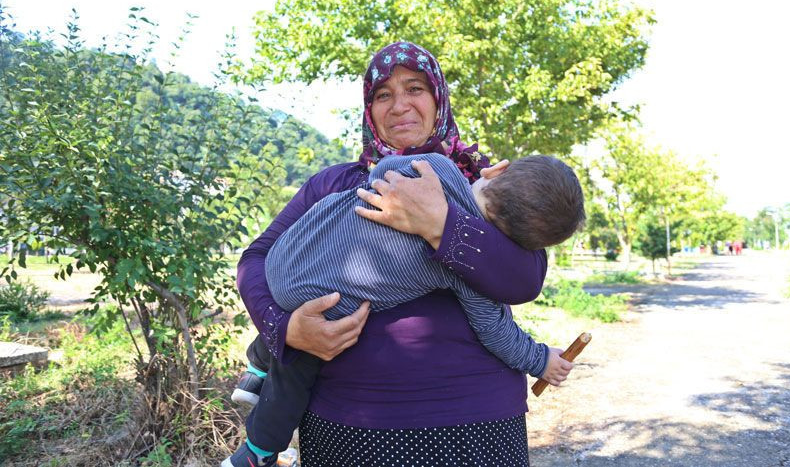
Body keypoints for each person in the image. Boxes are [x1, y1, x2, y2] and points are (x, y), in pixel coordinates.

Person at [233, 41, 575, 467]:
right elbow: (255, 260)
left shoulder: (491, 183)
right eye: (383, 94)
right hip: (349, 420)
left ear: (438, 97)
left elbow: (524, 277)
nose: (399, 106)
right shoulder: (336, 182)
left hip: (477, 418)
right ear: (369, 108)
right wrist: (285, 330)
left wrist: (441, 225)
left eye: (415, 88)